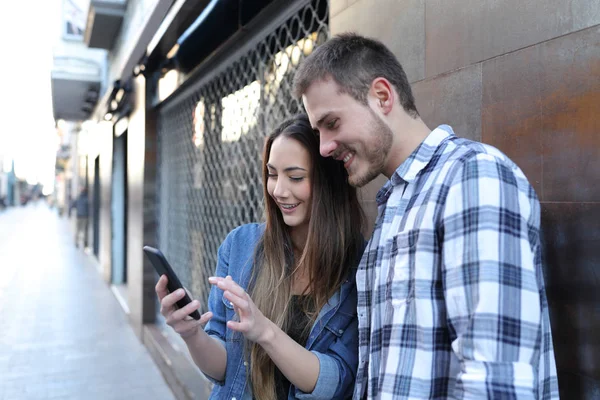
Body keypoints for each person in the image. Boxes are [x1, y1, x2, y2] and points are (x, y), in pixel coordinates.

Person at [293, 33, 559, 399]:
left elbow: (496, 378)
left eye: (332, 123)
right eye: (318, 131)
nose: (323, 147)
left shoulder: (472, 175)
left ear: (382, 96)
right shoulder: (397, 203)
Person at [155, 114, 365, 399]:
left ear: (329, 183)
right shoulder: (240, 245)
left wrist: (264, 330)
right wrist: (191, 333)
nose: (279, 190)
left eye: (295, 177)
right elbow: (223, 371)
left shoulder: (359, 264)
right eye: (273, 174)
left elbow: (337, 381)